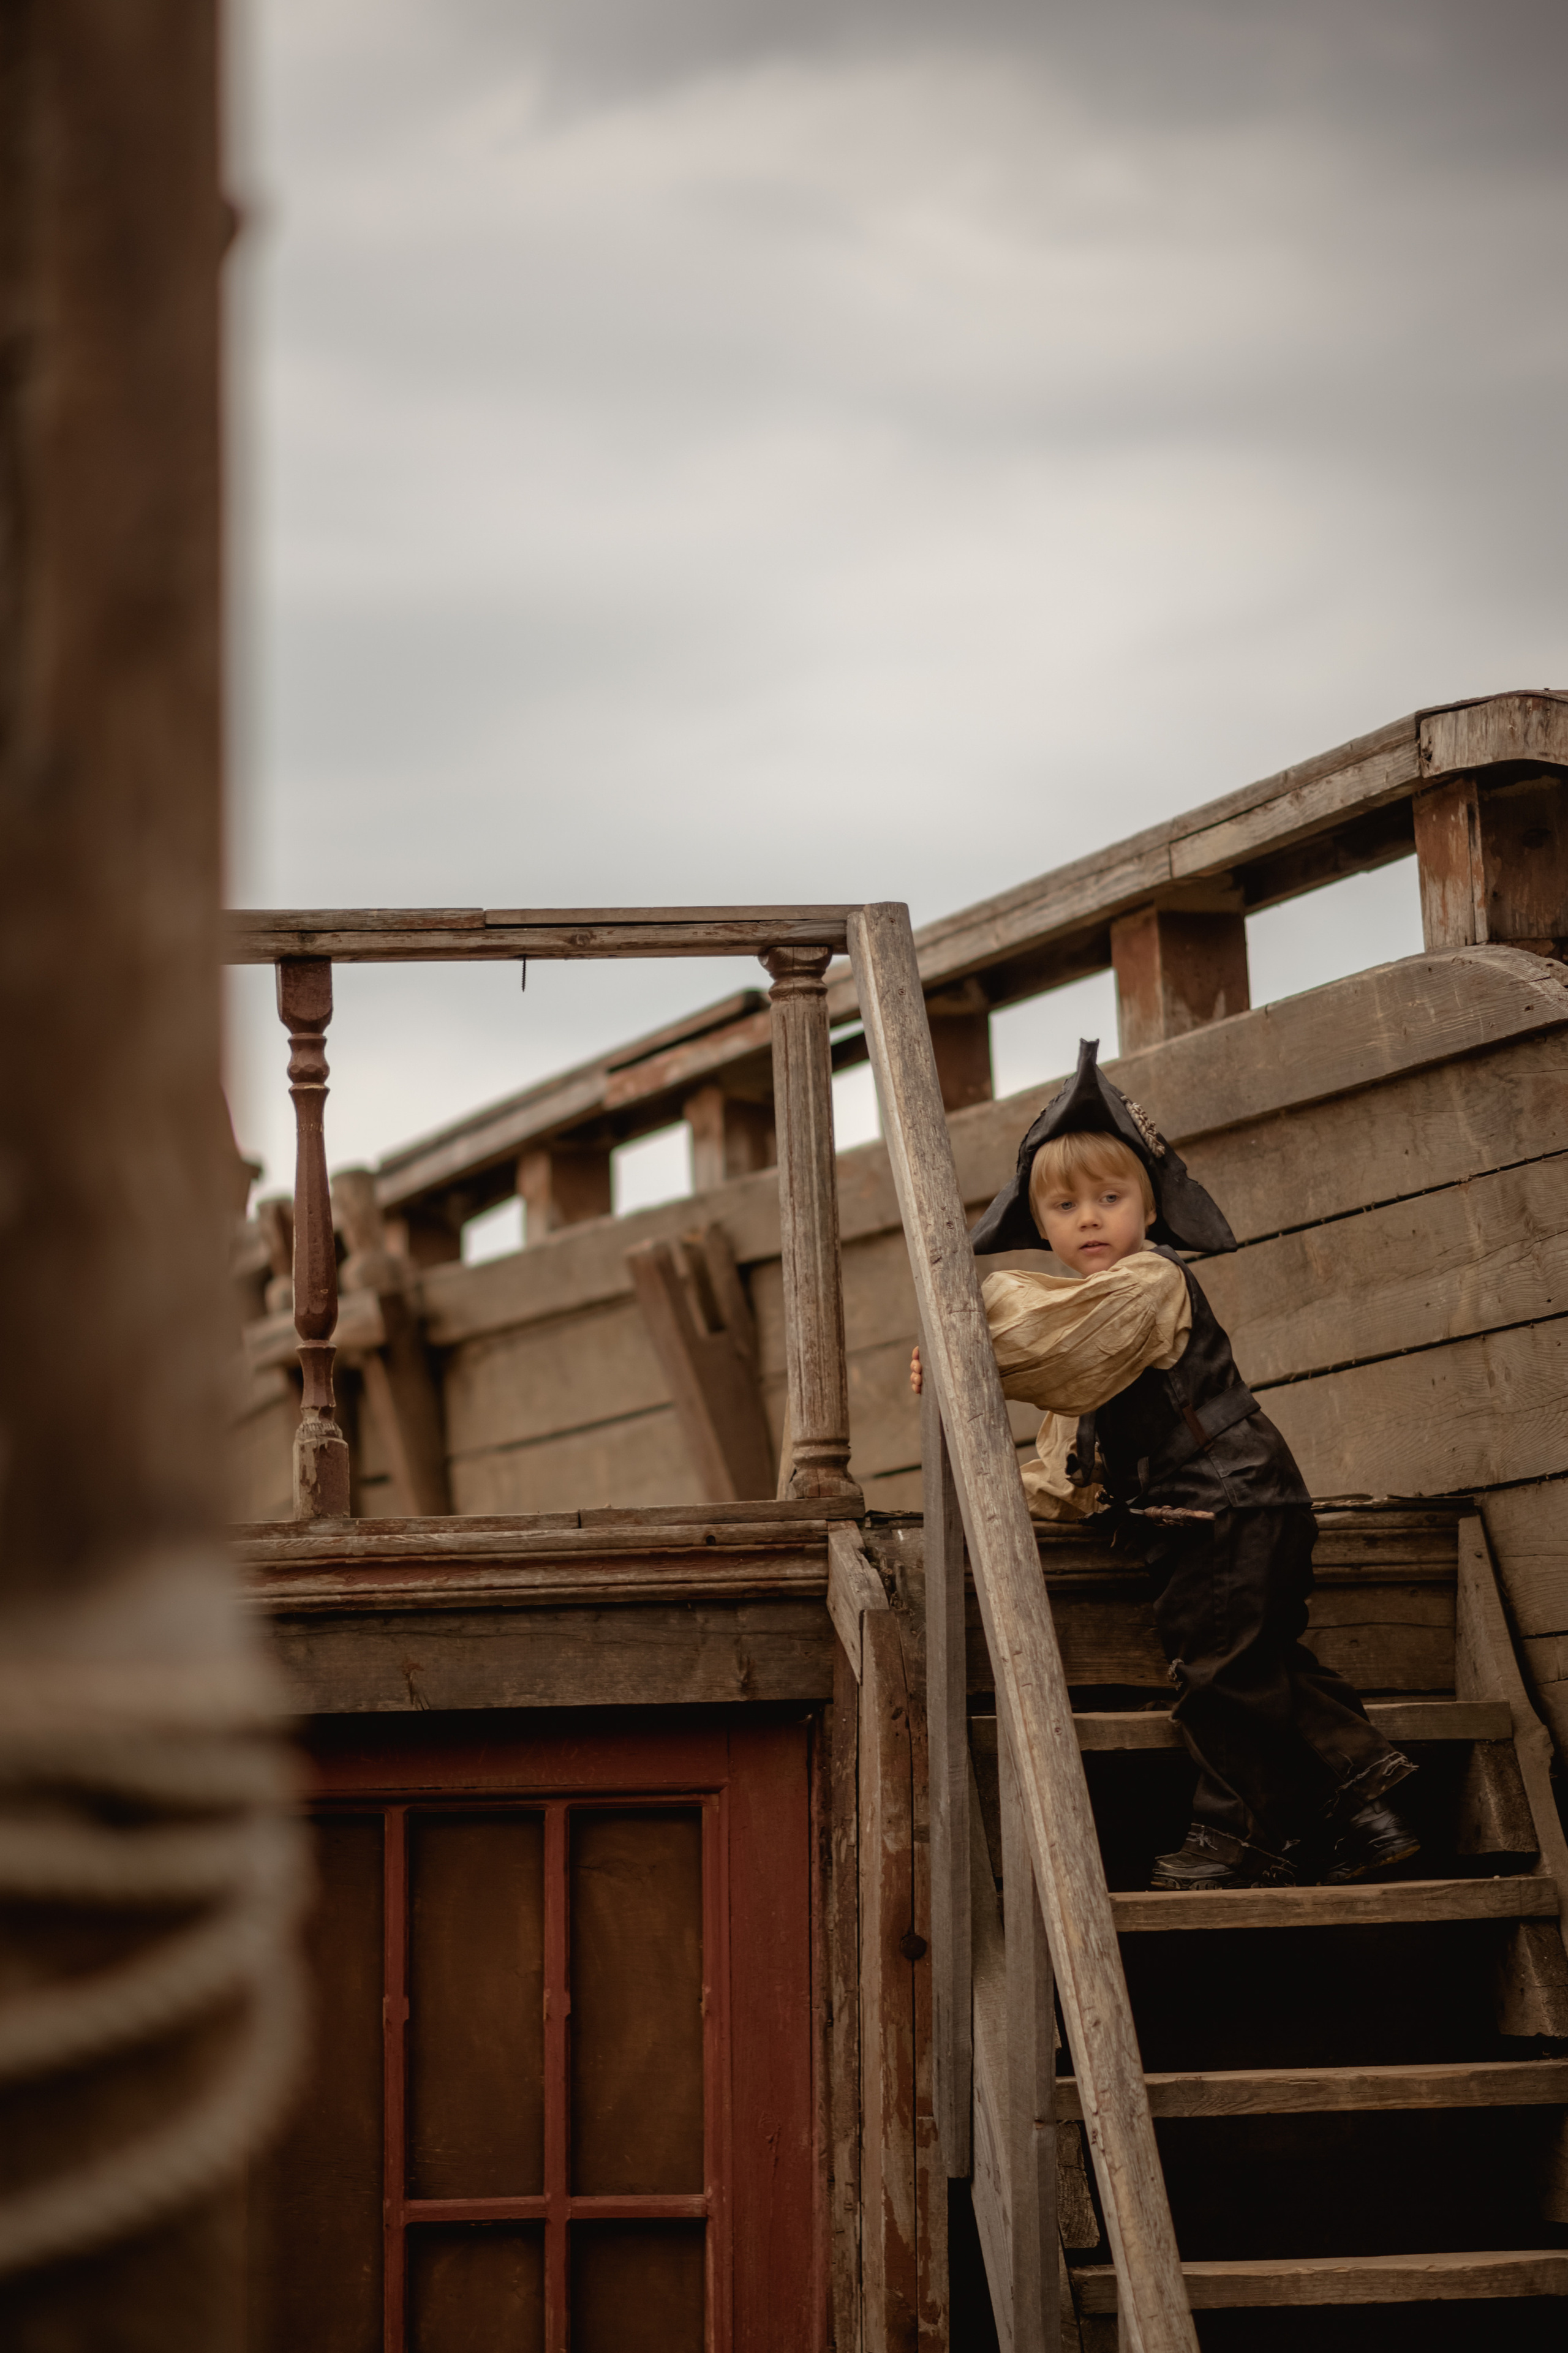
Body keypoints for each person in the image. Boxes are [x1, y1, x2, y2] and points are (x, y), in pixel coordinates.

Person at [911, 1040, 1420, 1894]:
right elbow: (1070, 1467)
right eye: (1066, 1205)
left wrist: (960, 1338)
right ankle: (1369, 1803)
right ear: (1040, 1224)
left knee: (1216, 1679)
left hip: (1224, 1509)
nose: (1090, 1219)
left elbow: (1051, 1343)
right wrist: (979, 1501)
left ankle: (1242, 1837)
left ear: (1150, 1207)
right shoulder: (1094, 1331)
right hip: (1233, 1508)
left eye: (1111, 1198)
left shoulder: (1147, 1286)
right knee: (1263, 1660)